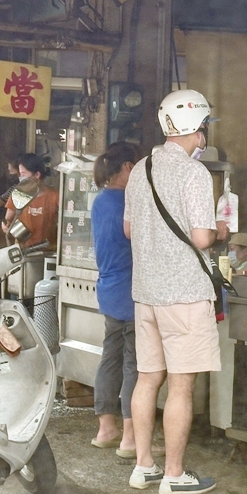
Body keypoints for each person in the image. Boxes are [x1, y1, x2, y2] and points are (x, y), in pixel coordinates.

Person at [123, 89, 222, 494]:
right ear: (197, 130)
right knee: (181, 387)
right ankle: (174, 476)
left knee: (148, 380)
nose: (204, 137)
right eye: (204, 130)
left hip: (146, 291)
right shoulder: (194, 173)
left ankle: (143, 467)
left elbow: (129, 229)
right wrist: (222, 231)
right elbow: (202, 238)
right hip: (183, 293)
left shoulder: (140, 169)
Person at [90, 143, 142, 457]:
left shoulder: (100, 201)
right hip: (132, 291)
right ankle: (131, 438)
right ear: (126, 167)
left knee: (111, 357)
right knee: (135, 363)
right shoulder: (129, 202)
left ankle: (106, 428)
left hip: (109, 288)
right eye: (135, 166)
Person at [2, 154, 59, 252]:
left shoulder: (55, 196)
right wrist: (6, 227)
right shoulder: (18, 195)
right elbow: (8, 220)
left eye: (23, 174)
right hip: (24, 250)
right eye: (20, 174)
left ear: (37, 175)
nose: (21, 177)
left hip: (48, 250)